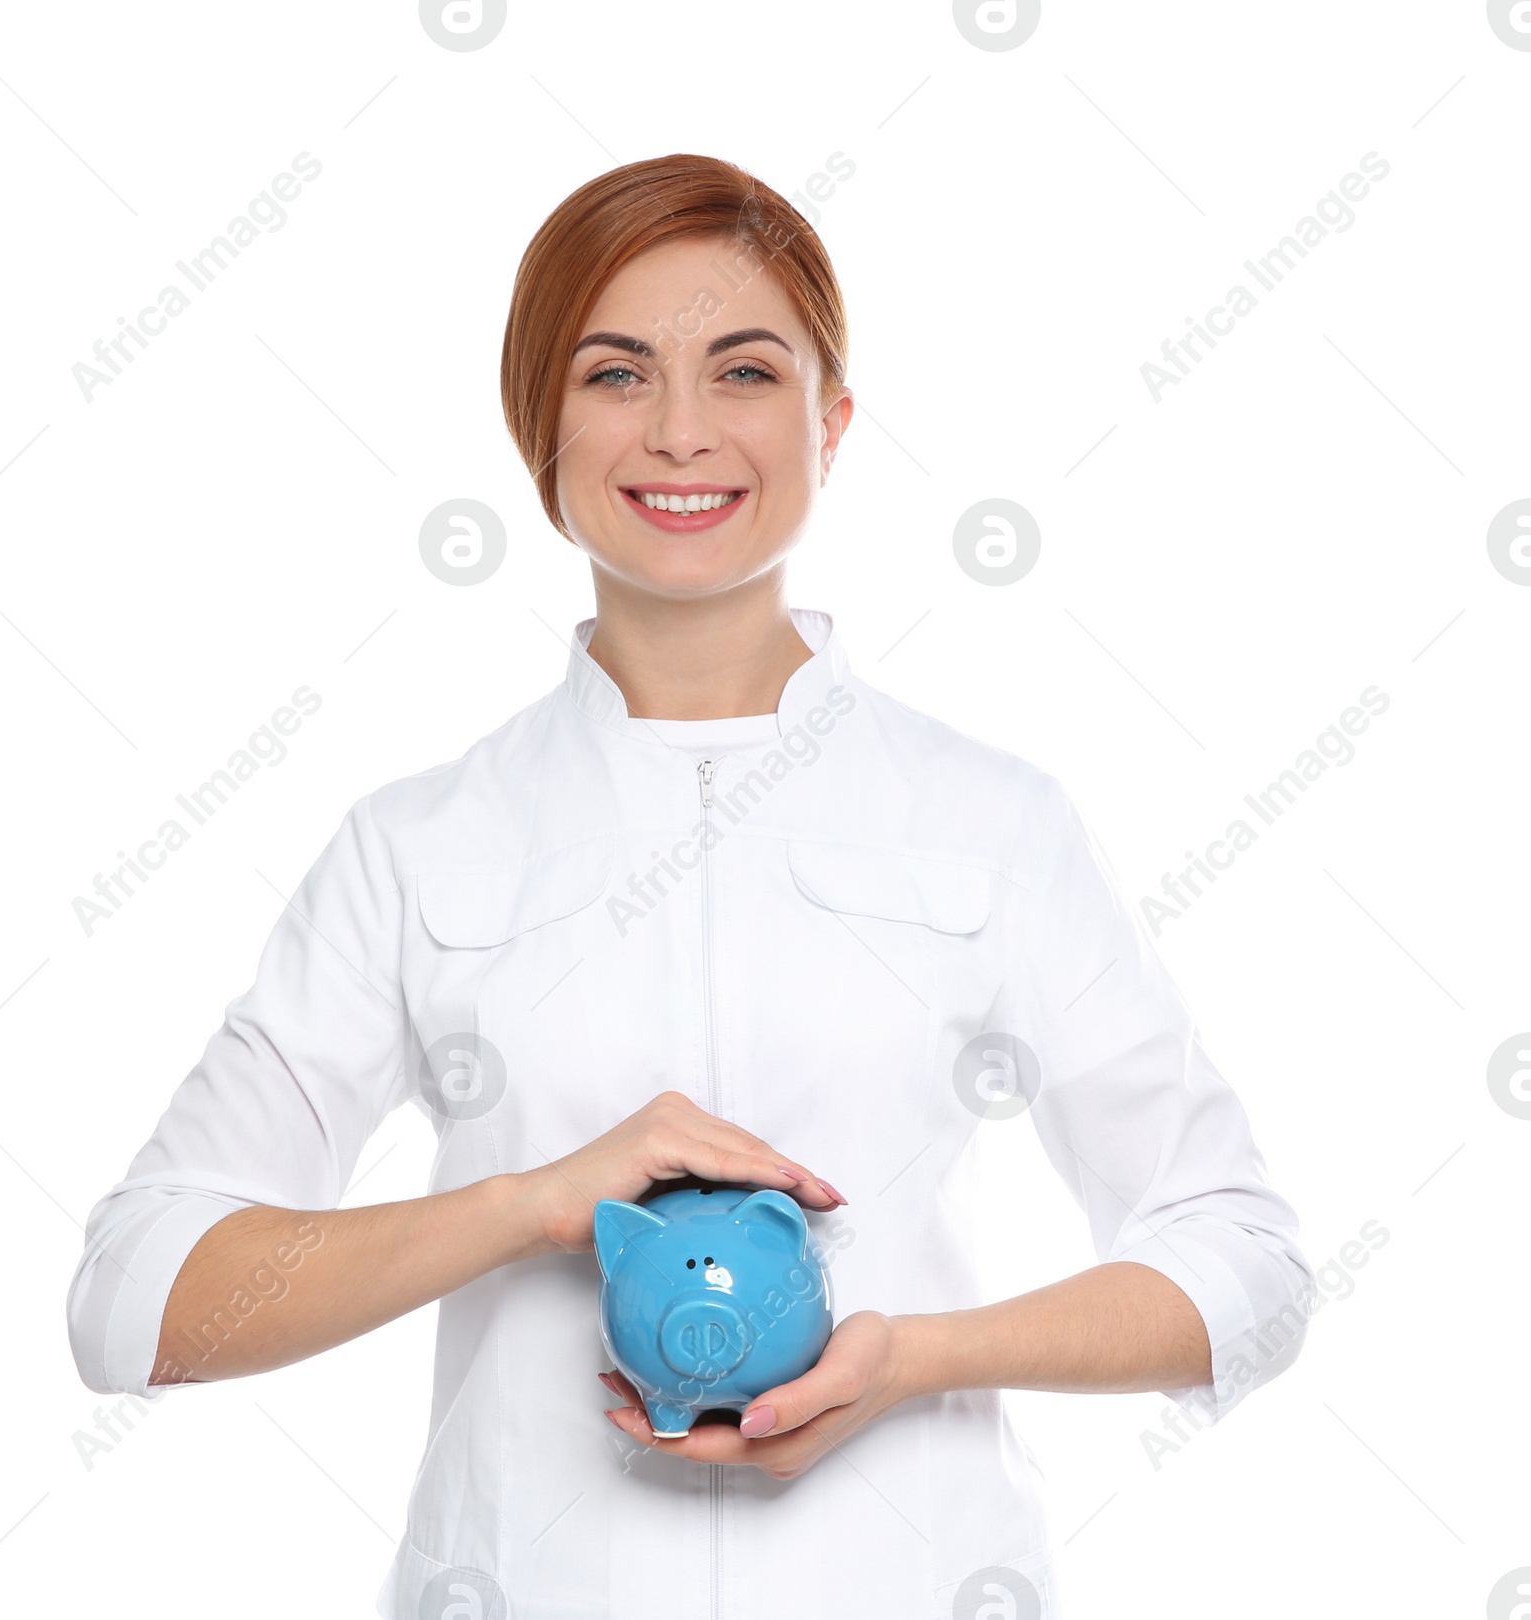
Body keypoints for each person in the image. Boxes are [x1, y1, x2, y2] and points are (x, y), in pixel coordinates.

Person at [66, 153, 1313, 1620]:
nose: (678, 432)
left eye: (741, 369)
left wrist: (915, 1356)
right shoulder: (416, 850)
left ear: (830, 423)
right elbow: (133, 1303)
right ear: (541, 431)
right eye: (613, 374)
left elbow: (1247, 1264)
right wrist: (534, 1205)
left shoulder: (997, 824)